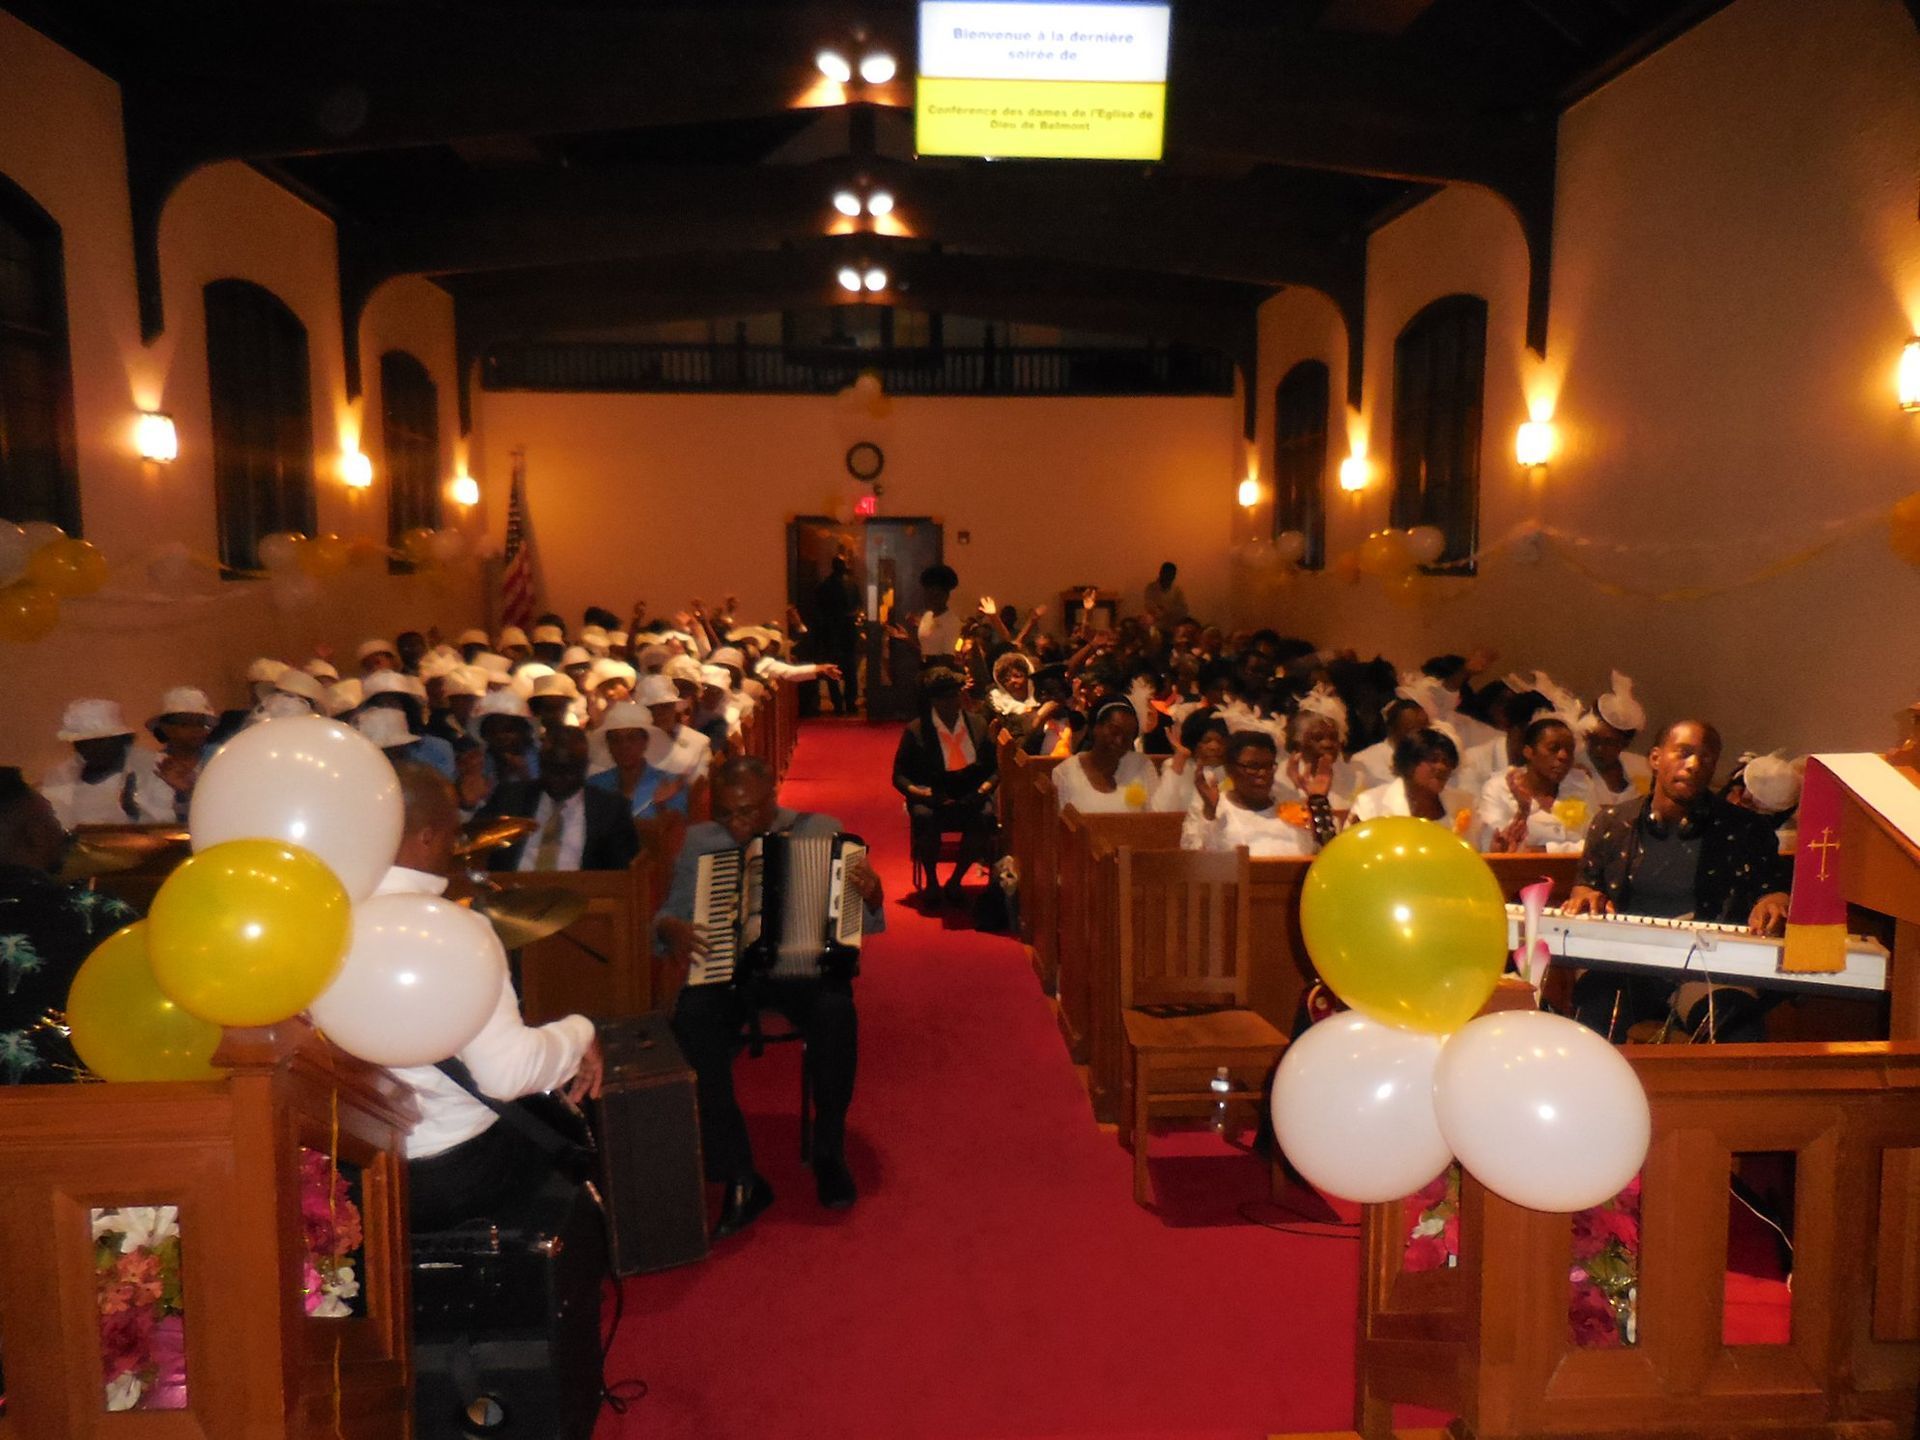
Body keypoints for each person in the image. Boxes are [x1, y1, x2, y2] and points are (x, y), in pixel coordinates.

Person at [655, 757, 884, 1232]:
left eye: (747, 813)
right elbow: (666, 917)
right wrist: (669, 928)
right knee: (690, 1021)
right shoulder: (701, 843)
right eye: (725, 814)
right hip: (728, 971)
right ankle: (739, 1172)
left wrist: (873, 897)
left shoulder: (821, 830)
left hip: (803, 971)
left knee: (836, 1012)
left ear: (771, 801)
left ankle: (828, 1147)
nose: (736, 826)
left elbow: (866, 926)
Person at [380, 764, 603, 1229]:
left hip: (354, 1169)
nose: (456, 848)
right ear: (425, 837)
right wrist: (579, 1034)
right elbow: (506, 1074)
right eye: (452, 834)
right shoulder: (458, 931)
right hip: (449, 1171)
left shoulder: (317, 921)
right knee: (568, 1129)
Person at [1563, 719, 1793, 1041]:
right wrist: (1586, 896)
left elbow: (1775, 891)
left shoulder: (1747, 829)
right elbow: (1585, 885)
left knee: (1738, 1031)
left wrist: (1773, 902)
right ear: (1655, 758)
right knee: (1592, 1023)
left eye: (1707, 759)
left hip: (1707, 965)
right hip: (1624, 961)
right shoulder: (1612, 823)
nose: (1695, 765)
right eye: (1684, 753)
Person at [0, 769, 141, 1083]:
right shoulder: (94, 916)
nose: (63, 833)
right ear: (33, 835)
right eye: (53, 819)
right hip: (73, 1113)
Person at [891, 665, 998, 897]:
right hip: (932, 796)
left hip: (971, 793)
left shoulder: (978, 725)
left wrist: (983, 789)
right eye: (944, 699)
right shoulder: (917, 730)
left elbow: (994, 769)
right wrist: (920, 793)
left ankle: (956, 879)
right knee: (924, 817)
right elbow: (899, 775)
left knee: (985, 816)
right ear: (934, 702)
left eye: (954, 697)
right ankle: (931, 880)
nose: (951, 703)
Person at [474, 728, 641, 872]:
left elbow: (621, 874)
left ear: (584, 767)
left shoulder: (610, 809)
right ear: (541, 764)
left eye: (567, 770)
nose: (558, 778)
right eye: (551, 769)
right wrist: (468, 806)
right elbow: (471, 843)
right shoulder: (510, 798)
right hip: (509, 897)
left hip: (582, 899)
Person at [1183, 730, 1336, 857]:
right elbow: (1193, 860)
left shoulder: (1290, 806)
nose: (1262, 773)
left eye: (1268, 766)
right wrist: (1210, 813)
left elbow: (1327, 854)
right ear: (1230, 769)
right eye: (1252, 766)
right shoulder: (1211, 808)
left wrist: (1318, 802)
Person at [1472, 715, 1597, 853]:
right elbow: (1493, 845)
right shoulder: (1499, 787)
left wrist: (1546, 851)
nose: (1563, 756)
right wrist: (1522, 811)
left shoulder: (1580, 785)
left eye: (1569, 750)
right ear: (1529, 752)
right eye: (1553, 748)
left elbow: (1596, 844)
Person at [38, 700, 147, 828]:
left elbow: (164, 831)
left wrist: (132, 811)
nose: (90, 749)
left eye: (99, 741)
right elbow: (52, 826)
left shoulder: (151, 772)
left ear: (123, 740)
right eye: (81, 743)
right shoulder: (59, 776)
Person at [1350, 728, 1476, 830]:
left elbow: (1477, 851)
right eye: (1433, 759)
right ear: (1409, 762)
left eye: (1447, 762)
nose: (1442, 767)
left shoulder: (1463, 803)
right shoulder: (1370, 804)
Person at [589, 701, 689, 822]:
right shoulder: (594, 785)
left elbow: (678, 834)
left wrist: (661, 806)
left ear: (645, 742)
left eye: (632, 738)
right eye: (615, 740)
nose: (624, 746)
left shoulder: (669, 783)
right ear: (608, 746)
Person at [1052, 699, 1155, 814]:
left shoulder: (1142, 766)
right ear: (1095, 728)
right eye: (1114, 732)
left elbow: (1157, 818)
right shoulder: (1066, 773)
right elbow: (1060, 826)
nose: (1119, 741)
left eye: (1127, 737)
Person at [138, 687, 219, 824]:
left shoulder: (221, 759)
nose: (196, 730)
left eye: (201, 724)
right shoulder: (152, 767)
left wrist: (191, 791)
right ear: (165, 727)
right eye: (185, 724)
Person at [1578, 670, 1651, 806]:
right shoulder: (1573, 765)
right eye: (1593, 739)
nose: (1599, 748)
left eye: (1609, 742)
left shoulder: (1642, 767)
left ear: (1625, 743)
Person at [813, 553, 864, 714]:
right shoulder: (845, 584)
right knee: (843, 669)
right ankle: (843, 702)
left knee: (846, 669)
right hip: (839, 632)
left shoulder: (832, 585)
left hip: (838, 632)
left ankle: (845, 702)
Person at [1150, 712, 1228, 814]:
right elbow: (1160, 811)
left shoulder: (1233, 771)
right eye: (1206, 741)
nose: (1214, 747)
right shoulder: (1178, 765)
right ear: (1193, 741)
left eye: (1221, 741)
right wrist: (1179, 760)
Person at [1350, 697, 1430, 791]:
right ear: (1392, 729)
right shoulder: (1364, 761)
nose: (1419, 736)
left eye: (1425, 730)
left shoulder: (1433, 761)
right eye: (1412, 730)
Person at [915, 563, 962, 662]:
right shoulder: (927, 616)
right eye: (927, 593)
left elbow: (948, 658)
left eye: (934, 595)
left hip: (940, 674)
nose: (928, 598)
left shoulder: (952, 622)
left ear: (945, 596)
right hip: (924, 672)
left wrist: (926, 661)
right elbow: (925, 648)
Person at [1143, 561, 1188, 629]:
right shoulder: (1151, 588)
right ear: (1161, 573)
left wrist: (1164, 610)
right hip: (1155, 628)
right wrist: (1168, 611)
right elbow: (1150, 607)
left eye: (1171, 575)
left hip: (1171, 628)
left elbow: (1183, 610)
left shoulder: (1177, 591)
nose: (1169, 578)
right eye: (1167, 574)